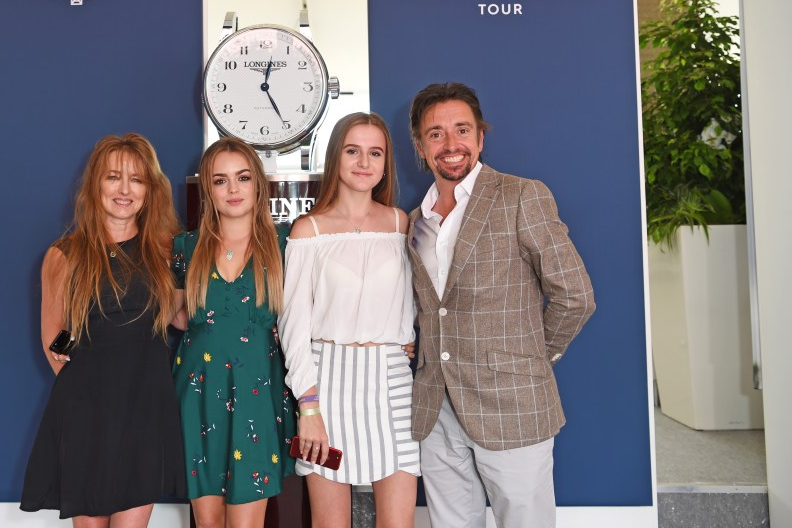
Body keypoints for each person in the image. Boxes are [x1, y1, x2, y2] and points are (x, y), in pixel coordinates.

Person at [406, 83, 596, 528]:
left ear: (480, 137)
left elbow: (576, 295)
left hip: (513, 405)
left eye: (462, 130)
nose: (451, 145)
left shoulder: (520, 197)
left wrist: (533, 356)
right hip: (437, 409)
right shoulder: (415, 222)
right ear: (420, 146)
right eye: (436, 134)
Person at [20, 133, 186, 526]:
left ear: (150, 190)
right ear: (96, 184)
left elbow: (182, 320)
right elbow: (54, 342)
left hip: (145, 411)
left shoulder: (168, 252)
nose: (125, 189)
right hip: (87, 415)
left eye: (137, 179)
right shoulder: (65, 255)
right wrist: (91, 402)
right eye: (114, 177)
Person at [279, 112, 419, 528]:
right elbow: (293, 328)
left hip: (393, 381)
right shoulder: (308, 231)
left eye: (375, 153)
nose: (364, 162)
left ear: (385, 162)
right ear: (335, 157)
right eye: (353, 151)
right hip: (326, 384)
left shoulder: (400, 222)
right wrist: (308, 408)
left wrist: (410, 337)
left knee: (399, 523)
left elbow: (419, 298)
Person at [170, 137, 296, 528]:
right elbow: (175, 318)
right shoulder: (185, 247)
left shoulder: (286, 242)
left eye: (242, 177)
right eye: (220, 180)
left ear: (258, 184)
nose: (233, 189)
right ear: (208, 189)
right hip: (197, 396)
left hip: (257, 397)